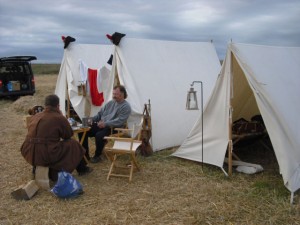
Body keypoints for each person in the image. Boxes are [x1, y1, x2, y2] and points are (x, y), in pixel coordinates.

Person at [21, 94, 92, 181]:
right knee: (73, 144)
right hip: (45, 154)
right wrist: (61, 117)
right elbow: (68, 135)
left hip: (28, 152)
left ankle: (38, 169)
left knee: (44, 146)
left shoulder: (36, 116)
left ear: (46, 105)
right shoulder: (58, 117)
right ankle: (82, 169)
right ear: (58, 106)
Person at [80, 85, 131, 163]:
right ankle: (85, 155)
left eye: (116, 94)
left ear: (122, 94)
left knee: (99, 135)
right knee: (83, 130)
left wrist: (106, 123)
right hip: (102, 124)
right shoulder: (110, 103)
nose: (114, 96)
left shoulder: (126, 106)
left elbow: (120, 121)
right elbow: (99, 115)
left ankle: (98, 155)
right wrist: (89, 120)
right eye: (113, 94)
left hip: (113, 128)